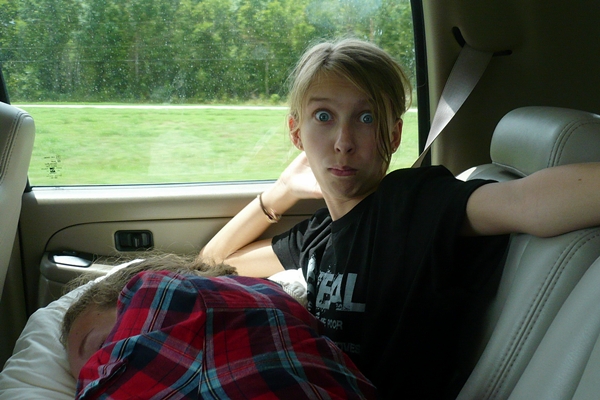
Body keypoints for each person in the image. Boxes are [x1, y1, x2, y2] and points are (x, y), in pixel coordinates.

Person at [198, 38, 600, 398]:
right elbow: (214, 262)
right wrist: (280, 193)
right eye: (323, 116)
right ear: (296, 133)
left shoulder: (411, 203)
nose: (343, 142)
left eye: (366, 118)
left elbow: (525, 202)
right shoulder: (319, 234)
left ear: (392, 136)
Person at [61, 255, 378, 399]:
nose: (97, 372)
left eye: (100, 349)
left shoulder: (162, 295)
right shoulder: (268, 298)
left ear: (130, 295)